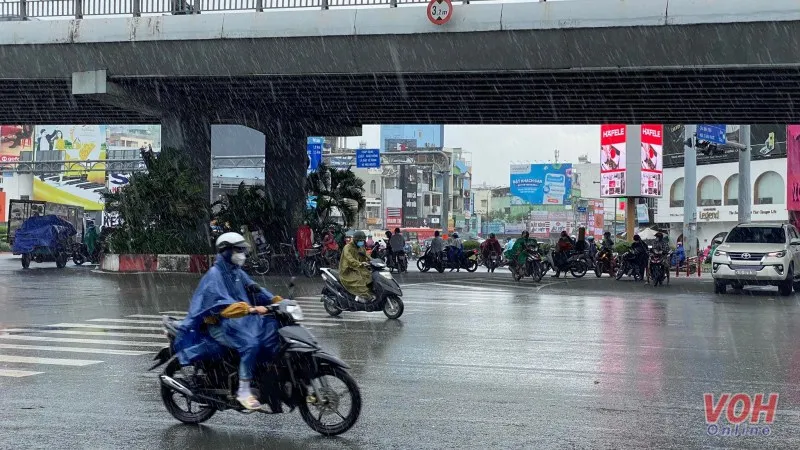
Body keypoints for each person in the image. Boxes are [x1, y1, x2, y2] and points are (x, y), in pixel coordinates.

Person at [175, 232, 282, 410]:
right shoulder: (214, 275)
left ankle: (261, 379)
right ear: (226, 251)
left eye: (242, 250)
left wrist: (277, 301)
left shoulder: (237, 272)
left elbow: (256, 289)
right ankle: (244, 391)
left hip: (240, 321)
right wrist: (251, 309)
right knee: (251, 344)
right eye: (238, 250)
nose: (242, 254)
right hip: (219, 324)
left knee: (270, 332)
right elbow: (221, 306)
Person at [339, 230, 373, 303]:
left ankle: (367, 294)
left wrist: (373, 261)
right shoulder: (347, 247)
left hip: (358, 268)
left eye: (363, 241)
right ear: (355, 240)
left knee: (369, 276)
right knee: (359, 280)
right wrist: (360, 264)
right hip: (348, 270)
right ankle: (362, 296)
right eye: (360, 240)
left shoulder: (360, 247)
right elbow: (349, 259)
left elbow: (366, 255)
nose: (362, 242)